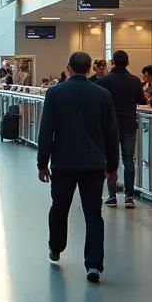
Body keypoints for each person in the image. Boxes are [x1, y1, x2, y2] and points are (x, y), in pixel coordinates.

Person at [36, 51, 119, 283]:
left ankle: (56, 246)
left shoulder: (55, 93)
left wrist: (42, 163)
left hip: (63, 163)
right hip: (94, 164)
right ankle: (94, 265)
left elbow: (46, 131)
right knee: (94, 213)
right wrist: (113, 165)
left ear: (69, 67)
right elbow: (111, 134)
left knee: (60, 207)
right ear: (90, 67)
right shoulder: (103, 94)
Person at [98, 50, 146, 210]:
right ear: (127, 62)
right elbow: (141, 100)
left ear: (112, 62)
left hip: (109, 126)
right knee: (128, 160)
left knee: (111, 160)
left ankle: (111, 196)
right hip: (129, 124)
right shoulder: (134, 81)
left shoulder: (104, 81)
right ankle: (129, 197)